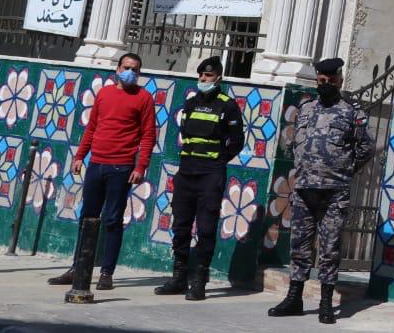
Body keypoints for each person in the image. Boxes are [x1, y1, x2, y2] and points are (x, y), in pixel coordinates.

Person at [268, 57, 374, 324]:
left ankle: (326, 302)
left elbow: (365, 148)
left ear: (340, 80)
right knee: (299, 245)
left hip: (334, 191)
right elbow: (295, 142)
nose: (325, 84)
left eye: (330, 80)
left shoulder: (352, 113)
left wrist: (345, 169)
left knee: (329, 248)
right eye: (321, 81)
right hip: (304, 188)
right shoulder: (305, 109)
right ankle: (294, 297)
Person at [47, 52, 156, 290]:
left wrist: (141, 166)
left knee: (113, 220)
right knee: (88, 217)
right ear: (117, 69)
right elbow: (92, 127)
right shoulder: (104, 93)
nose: (130, 72)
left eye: (135, 70)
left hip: (121, 167)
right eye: (126, 67)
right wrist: (80, 156)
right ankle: (78, 268)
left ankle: (107, 273)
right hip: (96, 164)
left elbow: (148, 136)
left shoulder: (144, 98)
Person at [154, 56, 244, 300]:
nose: (203, 79)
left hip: (210, 174)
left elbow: (237, 141)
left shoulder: (228, 106)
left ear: (219, 78)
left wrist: (219, 160)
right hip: (186, 172)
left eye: (209, 75)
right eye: (201, 75)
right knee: (180, 226)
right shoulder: (191, 102)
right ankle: (179, 277)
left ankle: (199, 280)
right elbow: (184, 133)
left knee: (205, 228)